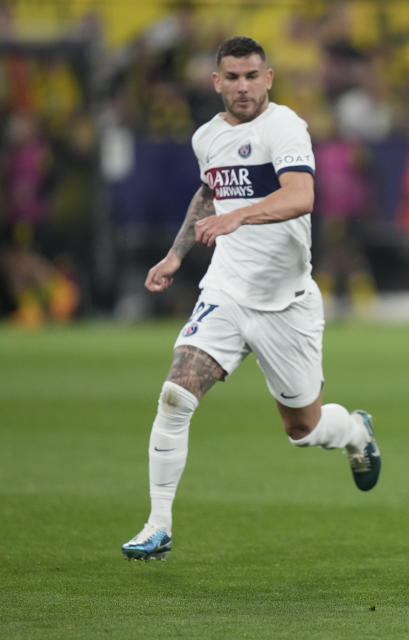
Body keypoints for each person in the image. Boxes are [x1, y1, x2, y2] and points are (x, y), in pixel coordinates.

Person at [121, 36, 381, 561]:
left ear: (269, 78)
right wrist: (177, 254)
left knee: (302, 429)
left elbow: (301, 195)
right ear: (216, 82)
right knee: (175, 396)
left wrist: (238, 215)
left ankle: (355, 432)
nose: (243, 86)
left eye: (252, 76)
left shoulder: (284, 127)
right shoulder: (206, 137)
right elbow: (208, 192)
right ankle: (158, 525)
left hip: (286, 304)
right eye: (232, 77)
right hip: (225, 292)